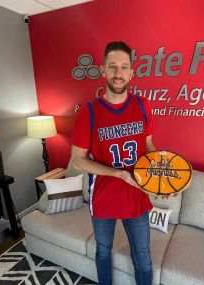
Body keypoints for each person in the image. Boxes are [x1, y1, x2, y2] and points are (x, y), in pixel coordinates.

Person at [70, 41, 156, 285]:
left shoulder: (142, 105)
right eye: (113, 67)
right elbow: (77, 160)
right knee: (103, 250)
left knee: (142, 256)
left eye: (124, 67)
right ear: (103, 70)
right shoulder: (89, 111)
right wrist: (118, 174)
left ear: (132, 72)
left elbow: (149, 146)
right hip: (103, 197)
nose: (118, 73)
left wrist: (162, 177)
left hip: (136, 195)